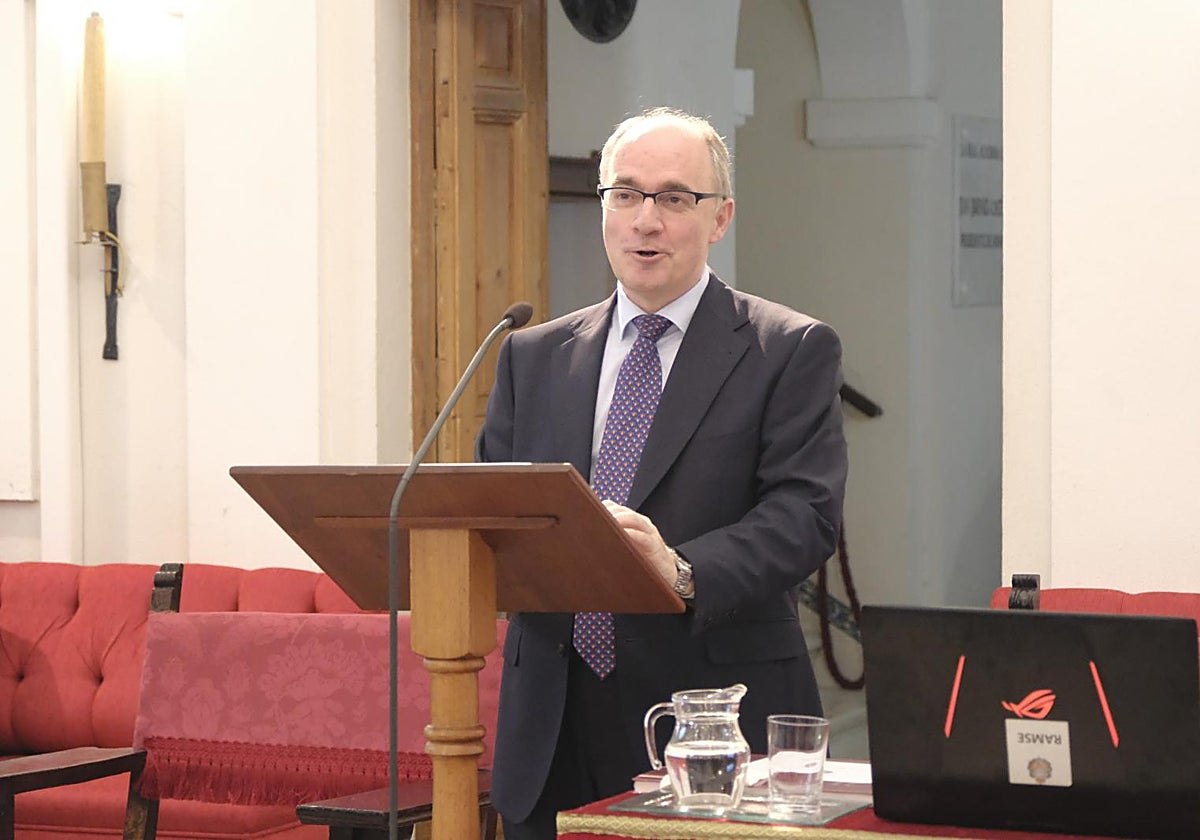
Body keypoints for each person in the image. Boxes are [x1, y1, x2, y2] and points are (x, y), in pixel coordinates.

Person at [476, 106, 848, 840]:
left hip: (712, 716)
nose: (646, 220)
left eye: (675, 198)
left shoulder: (788, 349)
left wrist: (680, 569)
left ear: (720, 219)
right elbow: (498, 510)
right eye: (627, 194)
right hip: (551, 717)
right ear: (604, 207)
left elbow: (804, 515)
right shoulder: (532, 354)